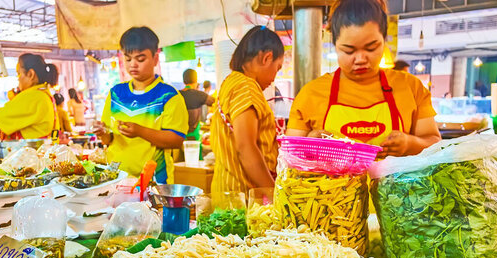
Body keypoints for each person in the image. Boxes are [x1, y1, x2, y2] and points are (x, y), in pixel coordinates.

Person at [287, 0, 440, 158]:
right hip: (331, 184)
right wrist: (310, 144)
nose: (360, 59)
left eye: (371, 48)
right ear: (335, 44)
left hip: (396, 183)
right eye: (348, 50)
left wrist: (410, 144)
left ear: (384, 39)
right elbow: (289, 157)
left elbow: (435, 142)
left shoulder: (411, 87)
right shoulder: (310, 94)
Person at [93, 27, 188, 184]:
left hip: (154, 180)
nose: (133, 65)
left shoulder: (168, 96)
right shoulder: (116, 93)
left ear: (155, 59)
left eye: (140, 59)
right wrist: (101, 132)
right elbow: (109, 139)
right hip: (116, 177)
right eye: (128, 59)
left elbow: (176, 139)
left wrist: (140, 131)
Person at [210, 25, 283, 194]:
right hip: (241, 198)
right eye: (277, 68)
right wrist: (273, 195)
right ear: (267, 58)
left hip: (227, 191)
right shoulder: (246, 86)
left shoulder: (231, 81)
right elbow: (246, 148)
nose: (273, 79)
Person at [179, 69, 215, 140]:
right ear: (196, 81)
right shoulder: (199, 95)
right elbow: (216, 103)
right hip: (193, 138)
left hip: (179, 137)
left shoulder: (177, 94)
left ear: (184, 81)